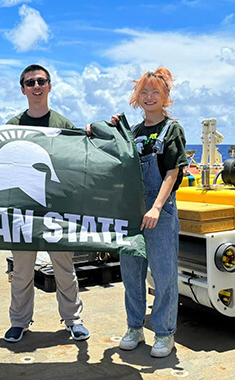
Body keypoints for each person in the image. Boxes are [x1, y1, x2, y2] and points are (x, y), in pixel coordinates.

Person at [4, 64, 90, 343]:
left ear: (50, 86)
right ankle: (19, 321)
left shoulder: (63, 124)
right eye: (30, 83)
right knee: (21, 271)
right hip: (22, 209)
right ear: (23, 89)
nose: (36, 86)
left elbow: (81, 158)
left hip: (56, 209)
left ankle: (73, 320)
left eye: (41, 81)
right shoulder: (12, 126)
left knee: (64, 268)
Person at [106, 68, 188, 358]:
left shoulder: (171, 130)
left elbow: (172, 172)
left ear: (166, 96)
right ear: (136, 97)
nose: (149, 97)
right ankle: (134, 327)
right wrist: (113, 129)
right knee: (131, 273)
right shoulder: (133, 132)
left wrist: (155, 207)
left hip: (160, 213)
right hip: (132, 214)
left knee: (164, 274)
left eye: (155, 91)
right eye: (144, 91)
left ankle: (165, 333)